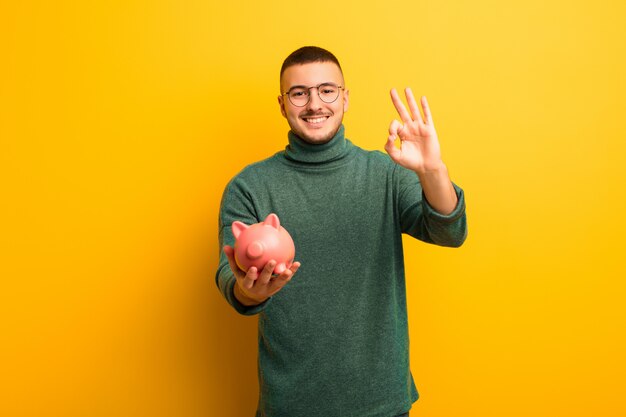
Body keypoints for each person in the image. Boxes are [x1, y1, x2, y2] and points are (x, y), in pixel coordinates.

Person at [216, 46, 467, 417]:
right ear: (283, 104)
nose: (314, 103)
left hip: (381, 403)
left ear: (345, 98)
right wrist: (250, 291)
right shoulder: (249, 186)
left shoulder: (384, 173)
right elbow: (231, 280)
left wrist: (432, 169)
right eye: (299, 93)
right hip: (291, 405)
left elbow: (448, 232)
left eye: (327, 90)